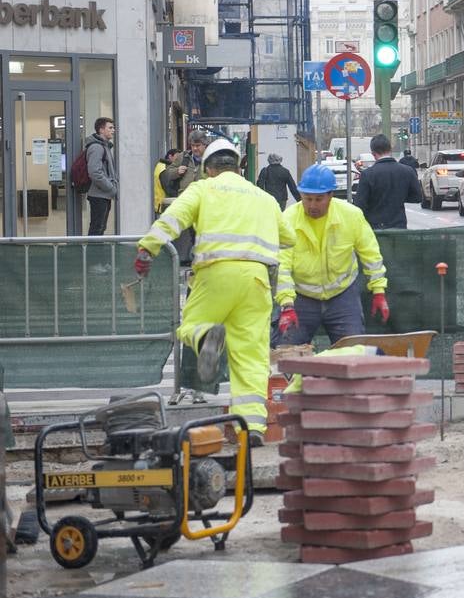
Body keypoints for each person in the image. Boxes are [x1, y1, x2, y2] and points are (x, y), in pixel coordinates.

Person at [134, 138, 294, 447]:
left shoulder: (202, 189)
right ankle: (252, 429)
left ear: (208, 169)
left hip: (215, 274)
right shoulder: (264, 198)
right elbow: (287, 239)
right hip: (257, 281)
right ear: (238, 167)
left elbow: (173, 219)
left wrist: (147, 249)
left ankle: (207, 337)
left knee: (191, 325)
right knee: (250, 357)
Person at [275, 163, 389, 347]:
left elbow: (371, 254)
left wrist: (378, 291)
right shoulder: (288, 219)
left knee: (353, 353)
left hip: (342, 295)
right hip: (301, 297)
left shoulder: (351, 216)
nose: (312, 205)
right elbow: (282, 265)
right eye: (307, 198)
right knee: (287, 353)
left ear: (331, 195)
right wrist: (287, 305)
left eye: (319, 199)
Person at [352, 134, 423, 229]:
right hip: (399, 226)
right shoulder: (408, 171)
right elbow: (417, 197)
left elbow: (359, 205)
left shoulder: (367, 174)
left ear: (373, 153)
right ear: (390, 150)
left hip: (375, 228)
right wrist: (399, 196)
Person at [162, 130, 210, 264]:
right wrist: (177, 172)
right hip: (185, 200)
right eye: (193, 145)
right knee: (187, 230)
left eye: (198, 145)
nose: (195, 148)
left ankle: (199, 257)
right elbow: (167, 174)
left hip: (204, 201)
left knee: (201, 230)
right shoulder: (183, 157)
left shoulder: (211, 159)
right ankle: (188, 257)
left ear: (205, 145)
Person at [85, 117, 117, 236]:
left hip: (103, 195)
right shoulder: (96, 147)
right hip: (99, 195)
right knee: (97, 229)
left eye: (113, 127)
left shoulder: (105, 146)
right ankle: (92, 254)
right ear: (101, 130)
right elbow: (95, 172)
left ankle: (94, 253)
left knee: (100, 228)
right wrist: (110, 187)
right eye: (110, 127)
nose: (113, 130)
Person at [152, 148, 179, 214]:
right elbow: (168, 189)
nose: (178, 160)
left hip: (160, 205)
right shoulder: (164, 169)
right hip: (163, 205)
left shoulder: (161, 165)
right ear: (170, 156)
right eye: (177, 157)